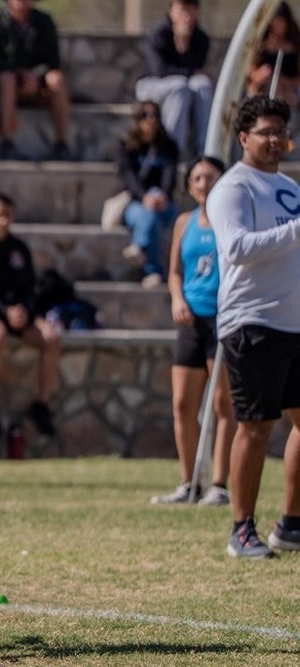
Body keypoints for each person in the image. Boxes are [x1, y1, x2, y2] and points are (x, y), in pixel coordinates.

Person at [206, 94, 300, 559]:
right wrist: (296, 230)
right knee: (256, 427)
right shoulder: (232, 188)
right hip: (253, 321)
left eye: (280, 130)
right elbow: (238, 247)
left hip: (294, 322)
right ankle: (242, 530)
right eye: (265, 131)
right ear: (244, 137)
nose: (276, 138)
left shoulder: (290, 186)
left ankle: (292, 523)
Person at [151, 155, 235, 506]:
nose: (204, 184)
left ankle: (219, 484)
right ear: (189, 186)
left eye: (211, 177)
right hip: (190, 320)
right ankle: (189, 482)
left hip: (224, 319)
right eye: (198, 178)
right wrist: (176, 299)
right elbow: (174, 271)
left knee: (223, 404)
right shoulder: (184, 223)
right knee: (182, 404)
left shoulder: (232, 220)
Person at [0, 192, 61, 439]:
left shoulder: (19, 248)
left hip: (20, 315)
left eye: (8, 216)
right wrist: (4, 311)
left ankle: (42, 405)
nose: (4, 221)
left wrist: (24, 309)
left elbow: (29, 288)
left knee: (52, 337)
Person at [0, 0, 72, 161]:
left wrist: (36, 76)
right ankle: (6, 144)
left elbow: (53, 60)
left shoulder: (44, 21)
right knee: (7, 79)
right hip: (7, 83)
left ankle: (61, 144)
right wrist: (18, 73)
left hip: (37, 85)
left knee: (56, 79)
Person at [113, 101, 179, 288]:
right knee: (149, 217)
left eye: (155, 115)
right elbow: (127, 176)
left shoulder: (168, 146)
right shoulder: (126, 145)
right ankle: (154, 271)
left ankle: (140, 246)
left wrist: (161, 196)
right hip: (135, 203)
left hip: (164, 203)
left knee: (153, 213)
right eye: (146, 116)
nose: (151, 120)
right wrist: (144, 197)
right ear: (137, 119)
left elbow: (170, 174)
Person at [135, 0, 214, 156]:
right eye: (181, 10)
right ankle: (173, 151)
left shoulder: (201, 38)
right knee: (180, 87)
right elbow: (160, 70)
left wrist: (183, 49)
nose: (186, 16)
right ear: (171, 11)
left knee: (203, 85)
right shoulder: (159, 35)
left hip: (184, 85)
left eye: (190, 10)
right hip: (151, 84)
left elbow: (198, 68)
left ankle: (206, 149)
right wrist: (188, 71)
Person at [246, 1, 300, 107]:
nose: (277, 25)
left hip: (290, 89)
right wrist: (261, 74)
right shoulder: (260, 44)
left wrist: (285, 81)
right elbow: (250, 72)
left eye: (280, 21)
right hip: (264, 87)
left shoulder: (296, 45)